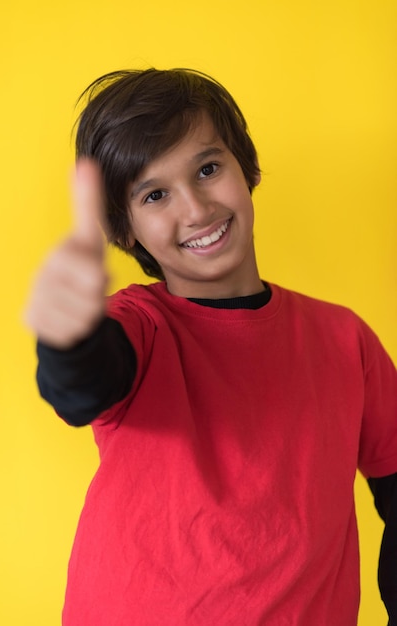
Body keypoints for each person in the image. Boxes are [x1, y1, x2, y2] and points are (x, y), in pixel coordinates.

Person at [25, 69, 397, 626]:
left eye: (207, 169)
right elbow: (85, 386)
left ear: (246, 170)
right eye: (155, 194)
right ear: (125, 229)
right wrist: (69, 336)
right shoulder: (139, 326)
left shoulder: (346, 339)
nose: (196, 210)